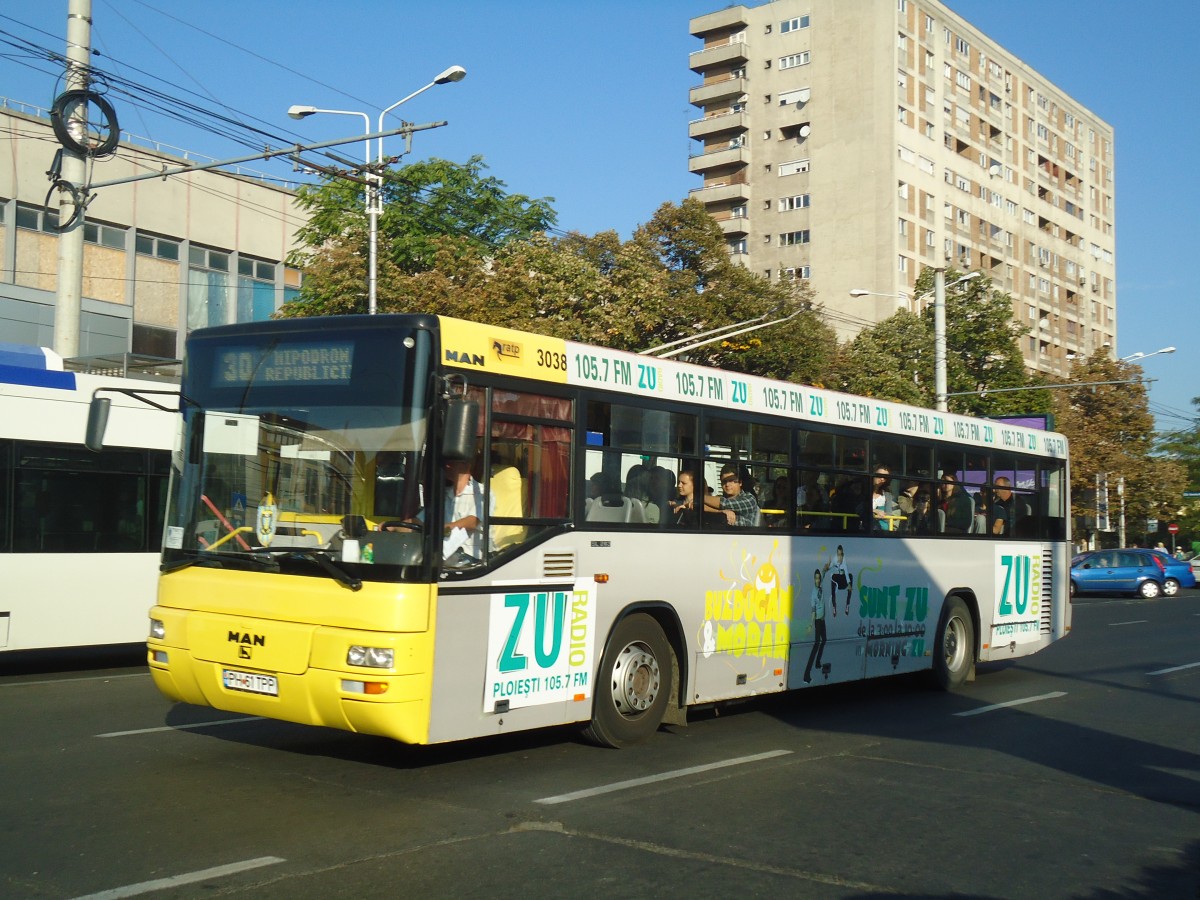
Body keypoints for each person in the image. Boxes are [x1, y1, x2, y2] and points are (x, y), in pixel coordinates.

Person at [703, 463, 760, 527]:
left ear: (740, 482)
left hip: (742, 535)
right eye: (724, 481)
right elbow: (696, 506)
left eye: (731, 480)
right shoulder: (717, 499)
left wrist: (699, 497)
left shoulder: (749, 499)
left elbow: (725, 504)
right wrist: (719, 511)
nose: (727, 484)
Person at [803, 566, 830, 684]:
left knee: (824, 640)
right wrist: (810, 624)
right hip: (818, 621)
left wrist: (826, 568)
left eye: (819, 578)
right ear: (814, 579)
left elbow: (823, 573)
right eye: (816, 578)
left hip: (822, 619)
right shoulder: (814, 593)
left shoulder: (820, 585)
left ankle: (818, 663)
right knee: (816, 644)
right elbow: (813, 611)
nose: (818, 580)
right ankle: (806, 675)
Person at [869, 465, 899, 531]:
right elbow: (857, 507)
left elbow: (888, 516)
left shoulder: (887, 496)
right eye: (880, 475)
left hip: (881, 531)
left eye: (885, 477)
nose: (882, 479)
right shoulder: (863, 491)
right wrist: (874, 511)